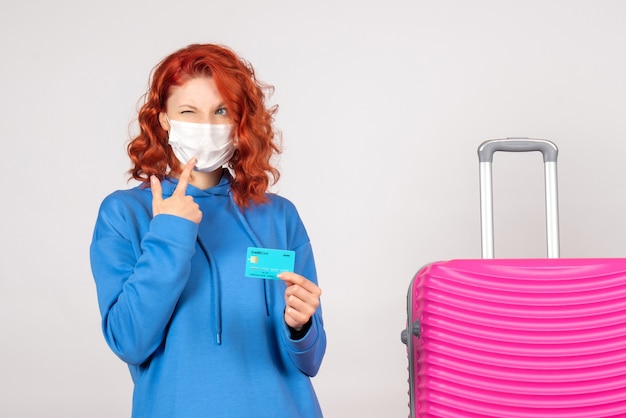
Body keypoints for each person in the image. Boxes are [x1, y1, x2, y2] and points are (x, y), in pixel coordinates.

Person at [89, 43, 326, 418]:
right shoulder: (125, 213)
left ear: (240, 120)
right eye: (188, 112)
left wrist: (301, 327)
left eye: (221, 111)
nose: (207, 126)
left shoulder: (278, 216)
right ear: (163, 119)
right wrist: (170, 230)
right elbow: (129, 341)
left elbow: (310, 360)